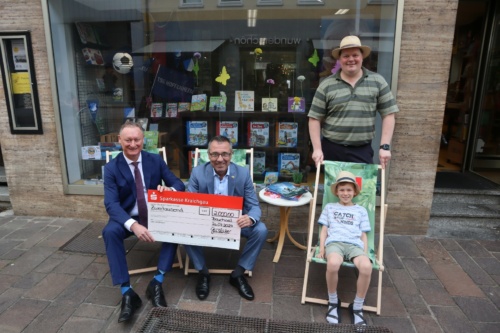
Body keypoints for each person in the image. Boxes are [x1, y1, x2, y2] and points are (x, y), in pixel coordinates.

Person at [102, 120, 185, 323]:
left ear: (143, 140)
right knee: (110, 232)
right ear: (119, 141)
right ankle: (127, 292)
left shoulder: (154, 160)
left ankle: (157, 282)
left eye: (137, 139)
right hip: (128, 217)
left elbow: (178, 183)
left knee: (175, 226)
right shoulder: (111, 168)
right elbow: (111, 204)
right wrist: (133, 225)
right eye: (128, 140)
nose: (133, 144)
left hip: (155, 213)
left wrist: (170, 190)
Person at [185, 135, 267, 301]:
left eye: (225, 154)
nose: (220, 159)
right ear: (208, 155)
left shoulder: (242, 174)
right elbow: (189, 203)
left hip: (235, 224)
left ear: (231, 155)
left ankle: (238, 274)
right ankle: (203, 273)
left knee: (261, 229)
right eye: (215, 154)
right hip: (205, 222)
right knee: (184, 228)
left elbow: (254, 206)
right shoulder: (198, 172)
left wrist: (250, 218)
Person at [308, 35, 399, 169]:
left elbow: (389, 114)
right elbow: (314, 118)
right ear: (339, 59)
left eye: (355, 55)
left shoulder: (378, 82)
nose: (351, 59)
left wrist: (385, 146)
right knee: (334, 189)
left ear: (362, 57)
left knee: (363, 189)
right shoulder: (326, 85)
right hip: (332, 150)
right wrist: (317, 149)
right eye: (346, 56)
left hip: (362, 150)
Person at [316, 171, 371, 326]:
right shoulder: (330, 207)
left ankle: (358, 306)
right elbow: (324, 230)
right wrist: (321, 249)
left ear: (354, 192)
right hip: (335, 243)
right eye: (342, 190)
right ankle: (333, 301)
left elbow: (363, 235)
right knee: (333, 264)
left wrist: (365, 253)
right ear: (336, 192)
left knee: (366, 267)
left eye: (349, 190)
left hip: (354, 245)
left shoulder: (361, 210)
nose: (345, 193)